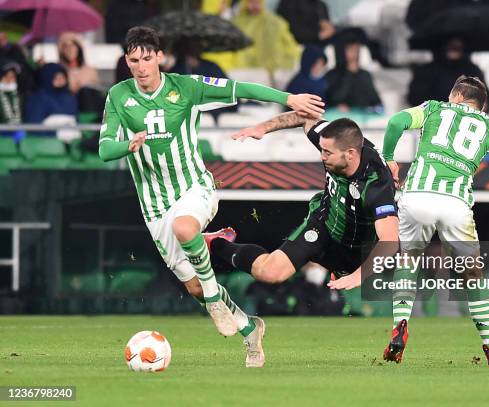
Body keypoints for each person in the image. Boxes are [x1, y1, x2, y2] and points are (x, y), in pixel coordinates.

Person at [97, 26, 324, 368]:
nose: (141, 67)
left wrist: (287, 99)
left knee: (186, 229)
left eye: (147, 58)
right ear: (126, 62)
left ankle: (217, 300)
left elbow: (240, 88)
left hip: (194, 188)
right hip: (154, 205)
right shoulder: (118, 95)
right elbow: (103, 150)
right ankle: (250, 329)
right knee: (194, 289)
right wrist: (125, 145)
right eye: (134, 60)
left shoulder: (186, 87)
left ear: (160, 57)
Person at [382, 76, 489, 366]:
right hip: (455, 204)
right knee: (473, 275)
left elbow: (394, 124)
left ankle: (400, 325)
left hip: (417, 195)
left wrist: (389, 158)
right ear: (481, 106)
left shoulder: (432, 109)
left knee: (408, 261)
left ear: (455, 95)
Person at [206, 113, 399, 293]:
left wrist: (358, 276)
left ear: (350, 154)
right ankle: (214, 242)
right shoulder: (336, 143)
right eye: (321, 149)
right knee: (269, 273)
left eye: (327, 152)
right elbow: (305, 117)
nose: (321, 156)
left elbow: (390, 241)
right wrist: (262, 128)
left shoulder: (377, 183)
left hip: (356, 248)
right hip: (323, 225)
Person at [408, 38, 489, 109]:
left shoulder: (473, 71)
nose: (454, 50)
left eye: (458, 47)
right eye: (451, 46)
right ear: (443, 47)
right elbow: (415, 98)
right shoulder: (428, 71)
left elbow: (485, 99)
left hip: (464, 118)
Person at [232, 0, 301, 74]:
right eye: (251, 2)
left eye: (258, 3)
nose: (255, 6)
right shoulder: (236, 23)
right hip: (243, 70)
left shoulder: (275, 22)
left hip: (273, 70)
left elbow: (289, 43)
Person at [325, 36, 382, 112]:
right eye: (350, 49)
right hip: (340, 117)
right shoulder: (332, 75)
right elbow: (335, 98)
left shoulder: (365, 74)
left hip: (365, 116)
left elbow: (376, 101)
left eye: (356, 50)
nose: (354, 53)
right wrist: (349, 73)